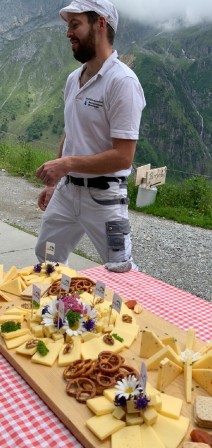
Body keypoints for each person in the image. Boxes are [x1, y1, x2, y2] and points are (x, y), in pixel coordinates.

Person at [35, 0, 146, 272]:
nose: (68, 33)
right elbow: (71, 131)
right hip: (66, 191)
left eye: (75, 25)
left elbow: (123, 157)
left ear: (100, 24)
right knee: (47, 260)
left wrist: (67, 164)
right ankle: (59, 314)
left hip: (105, 199)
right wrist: (56, 180)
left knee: (121, 270)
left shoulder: (123, 82)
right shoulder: (74, 78)